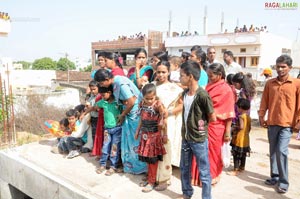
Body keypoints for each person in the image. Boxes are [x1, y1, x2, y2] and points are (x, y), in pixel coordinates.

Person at [258, 55, 300, 194]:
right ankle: (274, 176)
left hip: (287, 124)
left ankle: (283, 181)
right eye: (278, 66)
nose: (280, 69)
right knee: (273, 151)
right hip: (272, 122)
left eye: (284, 66)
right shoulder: (270, 83)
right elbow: (264, 101)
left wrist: (298, 121)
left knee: (282, 151)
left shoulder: (296, 84)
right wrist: (261, 115)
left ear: (290, 68)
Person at [94, 69, 147, 174]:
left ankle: (138, 167)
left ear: (107, 79)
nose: (102, 86)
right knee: (128, 142)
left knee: (134, 142)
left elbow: (131, 101)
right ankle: (129, 165)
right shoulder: (117, 80)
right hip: (129, 112)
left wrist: (122, 114)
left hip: (134, 114)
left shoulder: (120, 83)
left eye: (101, 83)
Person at [179, 60, 216, 199]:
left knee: (204, 171)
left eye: (182, 75)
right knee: (184, 168)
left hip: (199, 139)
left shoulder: (202, 95)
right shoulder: (185, 93)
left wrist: (200, 127)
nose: (180, 78)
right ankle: (187, 193)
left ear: (190, 76)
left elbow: (212, 117)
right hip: (186, 138)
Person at [152, 60, 183, 191]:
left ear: (169, 72)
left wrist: (167, 112)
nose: (161, 74)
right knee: (152, 149)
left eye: (163, 72)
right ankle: (153, 176)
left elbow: (182, 105)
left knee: (165, 149)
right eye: (158, 72)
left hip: (167, 122)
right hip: (152, 121)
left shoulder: (175, 89)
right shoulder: (151, 86)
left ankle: (165, 178)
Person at [205, 63, 236, 185]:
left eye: (211, 76)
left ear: (220, 75)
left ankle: (214, 175)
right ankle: (203, 174)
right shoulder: (209, 86)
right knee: (204, 150)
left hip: (218, 125)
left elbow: (229, 113)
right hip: (204, 123)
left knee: (214, 152)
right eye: (208, 75)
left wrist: (228, 131)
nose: (209, 78)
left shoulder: (226, 90)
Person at [135, 83, 167, 193]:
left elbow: (164, 118)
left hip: (154, 136)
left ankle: (151, 182)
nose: (149, 101)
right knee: (147, 159)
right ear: (143, 97)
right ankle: (149, 177)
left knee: (153, 160)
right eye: (147, 98)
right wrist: (137, 130)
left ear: (155, 96)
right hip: (144, 135)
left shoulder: (158, 105)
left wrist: (164, 134)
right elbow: (141, 119)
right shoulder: (142, 104)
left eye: (151, 98)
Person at [90, 85, 122, 176]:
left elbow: (123, 111)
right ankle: (103, 164)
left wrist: (121, 119)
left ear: (109, 93)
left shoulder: (117, 103)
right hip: (107, 129)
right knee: (105, 147)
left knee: (114, 148)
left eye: (103, 95)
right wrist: (86, 112)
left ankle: (113, 167)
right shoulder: (103, 102)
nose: (102, 97)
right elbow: (95, 107)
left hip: (117, 129)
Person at [228, 98, 251, 176]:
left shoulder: (241, 116)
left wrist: (235, 127)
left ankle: (236, 170)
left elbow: (241, 127)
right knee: (243, 154)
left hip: (239, 139)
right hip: (245, 139)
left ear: (240, 107)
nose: (237, 109)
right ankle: (242, 167)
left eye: (237, 107)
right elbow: (249, 128)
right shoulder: (248, 117)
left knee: (236, 154)